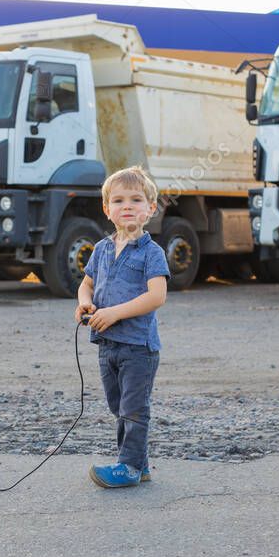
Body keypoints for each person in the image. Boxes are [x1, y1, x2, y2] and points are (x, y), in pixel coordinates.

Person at [76, 165, 170, 488]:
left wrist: (115, 313)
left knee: (133, 407)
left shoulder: (151, 253)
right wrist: (84, 303)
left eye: (135, 200)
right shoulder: (101, 250)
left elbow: (157, 296)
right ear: (106, 209)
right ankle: (140, 464)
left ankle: (127, 466)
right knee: (118, 406)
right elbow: (85, 285)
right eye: (118, 201)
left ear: (150, 209)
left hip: (138, 348)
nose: (127, 206)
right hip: (107, 345)